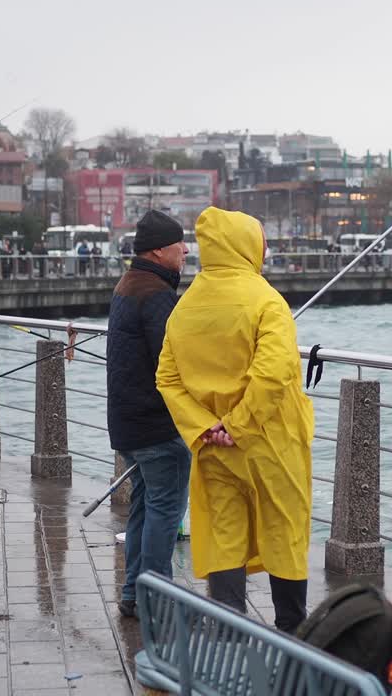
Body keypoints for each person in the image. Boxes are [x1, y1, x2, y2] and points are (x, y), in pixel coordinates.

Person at [156, 206, 313, 634]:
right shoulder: (267, 301)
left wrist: (206, 427)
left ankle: (229, 630)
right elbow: (275, 372)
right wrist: (239, 425)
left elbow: (166, 377)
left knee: (224, 534)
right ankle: (291, 633)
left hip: (212, 448)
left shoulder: (184, 308)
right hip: (271, 441)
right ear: (246, 245)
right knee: (285, 531)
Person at [107, 210, 191, 619]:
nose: (186, 249)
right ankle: (157, 599)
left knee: (144, 506)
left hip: (127, 425)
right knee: (165, 511)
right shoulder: (156, 294)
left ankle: (134, 595)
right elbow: (170, 362)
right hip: (156, 426)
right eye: (180, 243)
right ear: (160, 249)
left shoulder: (129, 284)